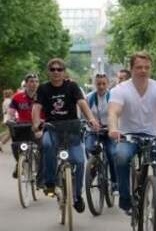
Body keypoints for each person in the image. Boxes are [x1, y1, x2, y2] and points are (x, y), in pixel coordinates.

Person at [108, 52, 156, 230]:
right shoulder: (120, 90)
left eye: (147, 67)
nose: (143, 71)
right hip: (128, 136)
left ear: (151, 68)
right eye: (139, 67)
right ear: (131, 69)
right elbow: (114, 112)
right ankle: (125, 199)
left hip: (153, 136)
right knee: (121, 157)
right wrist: (113, 129)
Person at [32, 58, 100, 212]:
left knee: (79, 161)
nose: (56, 72)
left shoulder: (72, 86)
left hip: (72, 129)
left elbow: (82, 103)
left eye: (59, 69)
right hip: (52, 128)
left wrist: (91, 119)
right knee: (47, 145)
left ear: (64, 72)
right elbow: (36, 108)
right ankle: (50, 183)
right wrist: (36, 125)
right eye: (53, 69)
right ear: (49, 72)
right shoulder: (43, 88)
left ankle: (77, 196)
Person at [85, 74, 118, 192]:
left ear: (107, 84)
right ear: (95, 84)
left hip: (109, 131)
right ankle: (94, 169)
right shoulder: (89, 98)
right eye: (98, 84)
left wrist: (114, 126)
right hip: (94, 131)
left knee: (111, 153)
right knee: (90, 148)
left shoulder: (113, 97)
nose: (101, 86)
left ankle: (115, 182)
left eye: (104, 83)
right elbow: (84, 115)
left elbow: (119, 113)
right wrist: (88, 123)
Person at [6, 74, 42, 179]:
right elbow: (11, 112)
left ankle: (41, 173)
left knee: (43, 148)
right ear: (26, 84)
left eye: (36, 81)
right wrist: (9, 119)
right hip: (22, 127)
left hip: (39, 126)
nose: (34, 84)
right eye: (31, 81)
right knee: (16, 145)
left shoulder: (43, 96)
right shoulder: (17, 97)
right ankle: (19, 163)